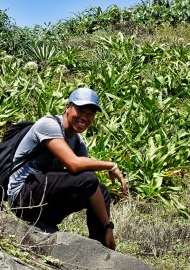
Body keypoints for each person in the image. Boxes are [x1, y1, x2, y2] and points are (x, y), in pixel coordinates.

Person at [7, 87, 128, 250]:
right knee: (89, 179)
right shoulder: (48, 125)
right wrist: (110, 165)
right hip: (21, 198)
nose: (85, 117)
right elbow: (73, 163)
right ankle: (43, 222)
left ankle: (101, 249)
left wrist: (108, 227)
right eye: (80, 110)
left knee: (100, 189)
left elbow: (91, 187)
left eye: (90, 114)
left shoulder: (78, 142)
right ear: (68, 107)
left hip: (42, 200)